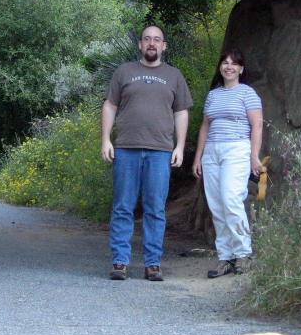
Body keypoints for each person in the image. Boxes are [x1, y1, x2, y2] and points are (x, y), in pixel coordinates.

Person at [101, 25, 193, 282]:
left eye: (157, 40)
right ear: (140, 45)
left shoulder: (174, 76)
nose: (152, 43)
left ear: (164, 46)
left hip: (160, 151)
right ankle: (120, 261)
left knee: (155, 209)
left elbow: (181, 112)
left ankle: (153, 263)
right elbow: (110, 105)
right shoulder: (124, 72)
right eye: (147, 39)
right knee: (123, 206)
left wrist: (180, 146)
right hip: (126, 149)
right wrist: (105, 140)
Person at [192, 47, 263, 277]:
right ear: (220, 67)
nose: (229, 66)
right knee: (216, 204)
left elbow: (257, 126)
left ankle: (243, 254)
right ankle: (225, 257)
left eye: (234, 63)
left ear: (241, 69)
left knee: (231, 198)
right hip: (212, 151)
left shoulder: (248, 93)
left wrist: (254, 156)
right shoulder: (213, 94)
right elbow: (205, 126)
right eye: (225, 62)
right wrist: (198, 157)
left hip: (237, 149)